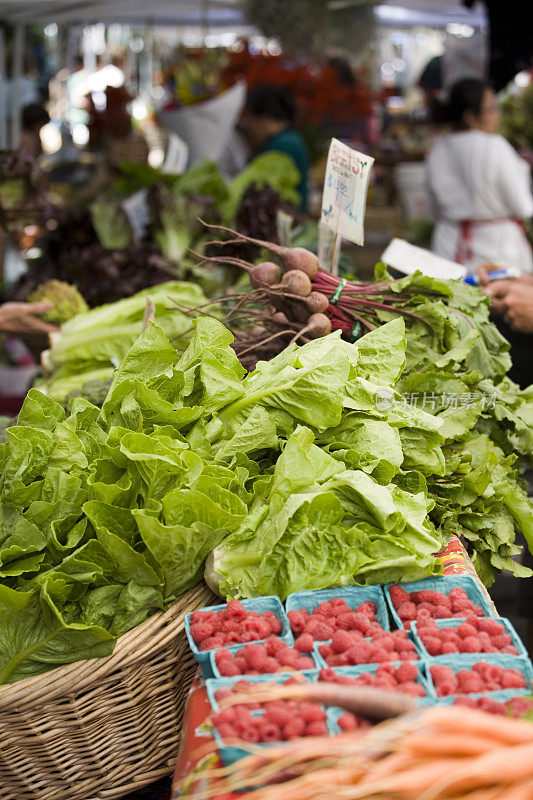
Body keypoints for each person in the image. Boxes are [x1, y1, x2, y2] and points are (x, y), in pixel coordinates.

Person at [426, 78, 533, 274]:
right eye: (491, 108)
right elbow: (522, 205)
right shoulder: (495, 146)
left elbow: (432, 210)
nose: (496, 114)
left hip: (449, 249)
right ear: (469, 116)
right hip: (499, 254)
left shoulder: (437, 150)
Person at [242, 85, 310, 212]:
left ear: (262, 118)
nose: (249, 127)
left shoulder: (283, 145)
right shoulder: (290, 139)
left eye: (249, 119)